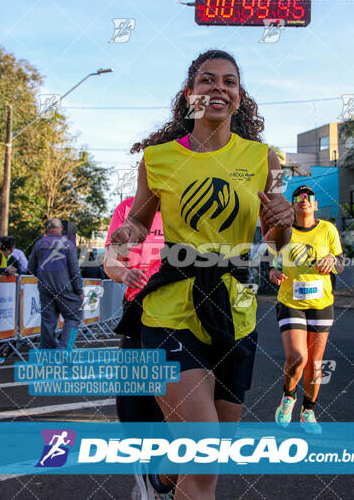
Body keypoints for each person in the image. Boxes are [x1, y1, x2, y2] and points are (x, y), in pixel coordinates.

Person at [111, 49, 294, 500]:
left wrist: (284, 222)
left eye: (228, 82)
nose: (218, 88)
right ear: (190, 94)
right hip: (172, 307)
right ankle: (166, 478)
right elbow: (137, 220)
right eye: (207, 81)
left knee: (208, 454)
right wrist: (120, 248)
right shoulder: (158, 160)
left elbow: (278, 243)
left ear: (239, 97)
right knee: (206, 452)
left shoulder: (263, 159)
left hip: (237, 312)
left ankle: (161, 479)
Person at [104, 197, 167, 498]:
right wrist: (124, 273)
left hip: (182, 319)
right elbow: (111, 261)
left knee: (170, 410)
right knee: (133, 408)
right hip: (139, 314)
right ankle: (146, 486)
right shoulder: (127, 209)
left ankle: (164, 482)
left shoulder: (189, 201)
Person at [269, 185, 344, 434]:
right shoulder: (283, 232)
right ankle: (288, 397)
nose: (304, 200)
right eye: (298, 197)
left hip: (321, 303)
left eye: (309, 197)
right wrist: (274, 272)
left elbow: (341, 262)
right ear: (293, 205)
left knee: (315, 363)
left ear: (315, 204)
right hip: (291, 302)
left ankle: (308, 411)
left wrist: (332, 260)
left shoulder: (328, 230)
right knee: (297, 357)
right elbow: (272, 264)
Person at [28, 218, 83, 349]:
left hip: (45, 288)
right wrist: (79, 290)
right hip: (65, 288)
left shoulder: (39, 244)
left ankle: (47, 354)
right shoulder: (68, 245)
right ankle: (64, 349)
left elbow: (30, 267)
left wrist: (43, 278)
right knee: (74, 317)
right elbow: (74, 270)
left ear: (47, 229)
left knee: (48, 321)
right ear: (61, 229)